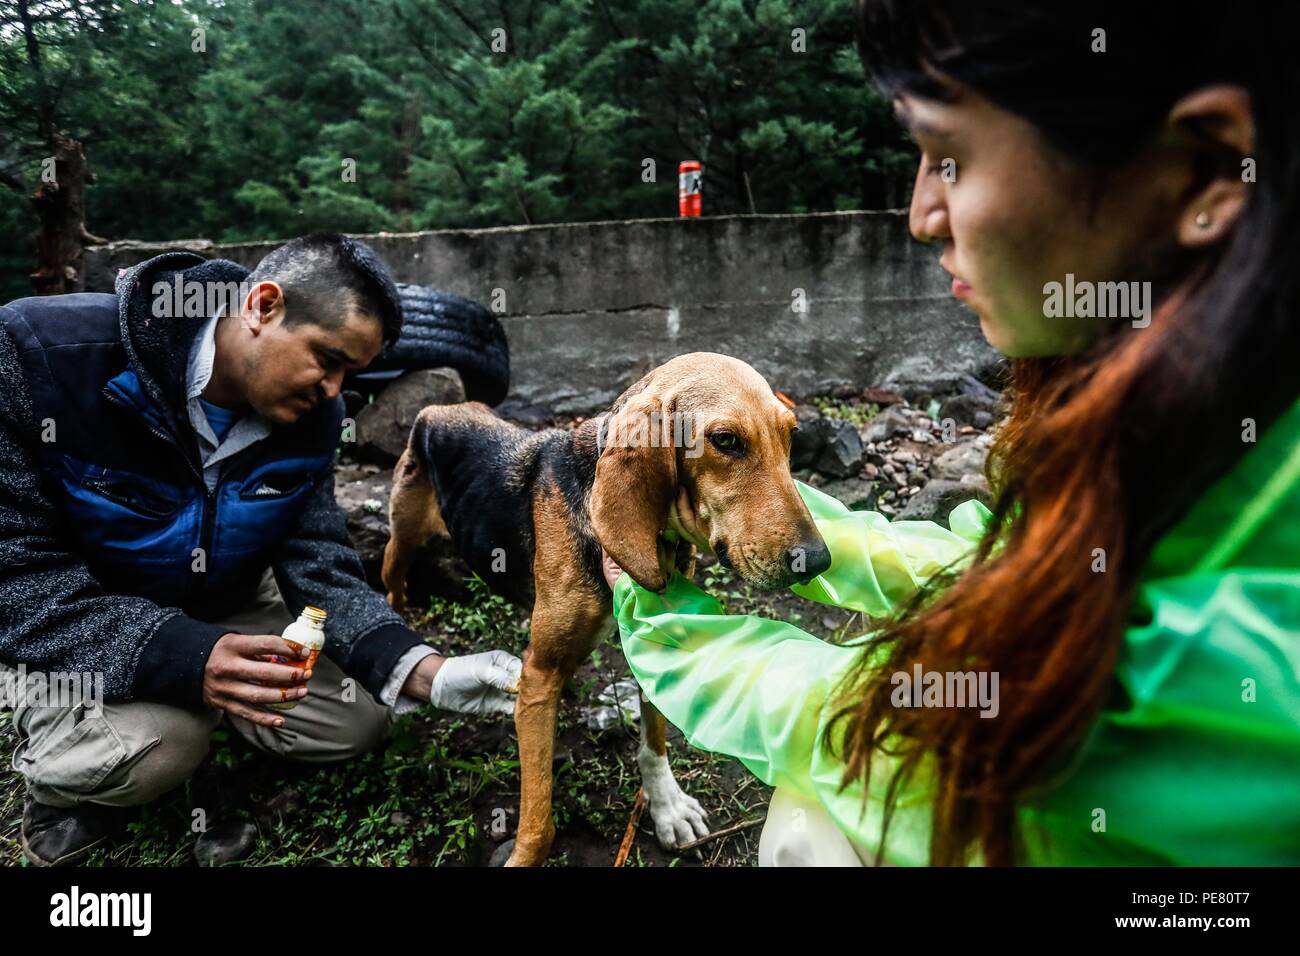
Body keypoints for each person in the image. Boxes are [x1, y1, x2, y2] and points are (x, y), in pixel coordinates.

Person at [604, 0, 1300, 865]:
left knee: (806, 838)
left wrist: (674, 634)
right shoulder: (1227, 413)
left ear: (1200, 168)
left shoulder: (1253, 663)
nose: (921, 213)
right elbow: (1016, 569)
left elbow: (942, 742)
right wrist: (828, 537)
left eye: (950, 157)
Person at [0, 233, 521, 866]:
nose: (334, 391)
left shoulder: (309, 415)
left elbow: (320, 562)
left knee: (353, 722)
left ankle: (211, 711)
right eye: (327, 359)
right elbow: (17, 581)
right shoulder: (39, 358)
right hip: (77, 623)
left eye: (349, 374)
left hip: (222, 598)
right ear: (263, 306)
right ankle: (64, 785)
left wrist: (422, 670)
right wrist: (189, 657)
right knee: (162, 743)